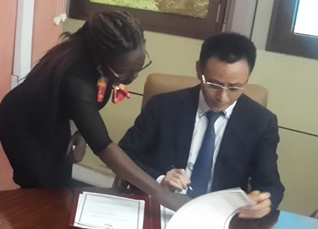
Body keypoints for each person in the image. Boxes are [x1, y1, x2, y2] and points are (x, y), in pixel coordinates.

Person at [0, 10, 185, 209]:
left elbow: (92, 104)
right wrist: (162, 194)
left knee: (60, 187)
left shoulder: (104, 64)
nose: (132, 78)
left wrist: (83, 132)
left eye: (138, 69)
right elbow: (104, 147)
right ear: (101, 61)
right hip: (22, 122)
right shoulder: (76, 79)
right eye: (124, 73)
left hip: (53, 118)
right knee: (42, 191)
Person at [119, 33, 283, 218]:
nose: (222, 97)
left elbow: (270, 183)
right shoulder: (163, 106)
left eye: (234, 87)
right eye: (213, 84)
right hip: (163, 208)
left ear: (247, 78)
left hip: (222, 216)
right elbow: (125, 154)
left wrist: (264, 201)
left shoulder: (261, 122)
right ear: (199, 70)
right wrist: (159, 179)